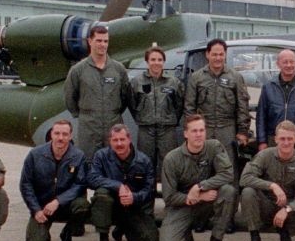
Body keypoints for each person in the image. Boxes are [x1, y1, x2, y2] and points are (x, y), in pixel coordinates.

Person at [158, 113, 237, 241]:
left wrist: (200, 186)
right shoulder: (172, 158)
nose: (198, 134)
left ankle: (216, 239)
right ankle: (185, 233)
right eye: (194, 131)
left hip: (208, 203)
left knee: (228, 191)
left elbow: (227, 174)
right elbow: (169, 197)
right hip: (182, 206)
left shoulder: (214, 147)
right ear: (185, 134)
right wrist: (198, 196)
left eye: (201, 130)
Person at [238, 120, 295, 241]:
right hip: (266, 204)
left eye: (289, 138)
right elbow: (245, 178)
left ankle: (285, 231)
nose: (286, 142)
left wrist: (288, 209)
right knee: (248, 192)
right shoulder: (265, 155)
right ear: (275, 139)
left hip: (289, 205)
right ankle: (255, 238)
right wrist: (272, 185)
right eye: (282, 138)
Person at [86, 123, 159, 241]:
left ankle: (123, 227)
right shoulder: (101, 156)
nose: (119, 144)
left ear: (129, 139)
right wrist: (117, 186)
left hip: (132, 206)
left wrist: (134, 198)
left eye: (122, 139)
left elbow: (149, 190)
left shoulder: (144, 161)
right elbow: (92, 178)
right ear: (110, 141)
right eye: (115, 140)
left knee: (152, 240)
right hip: (110, 205)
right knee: (101, 194)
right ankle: (103, 238)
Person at [18, 118, 89, 241]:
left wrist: (58, 201)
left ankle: (67, 232)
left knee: (83, 206)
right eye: (57, 133)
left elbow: (80, 184)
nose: (60, 138)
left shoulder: (79, 156)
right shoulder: (35, 155)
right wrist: (36, 210)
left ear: (70, 136)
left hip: (66, 205)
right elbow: (26, 185)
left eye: (65, 134)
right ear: (51, 134)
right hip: (43, 207)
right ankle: (44, 232)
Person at [64, 22, 131, 156]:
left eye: (106, 41)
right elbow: (70, 98)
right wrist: (86, 115)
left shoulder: (118, 69)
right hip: (88, 127)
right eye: (99, 40)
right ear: (90, 41)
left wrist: (112, 112)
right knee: (88, 163)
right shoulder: (78, 70)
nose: (103, 44)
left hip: (113, 125)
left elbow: (125, 97)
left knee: (113, 161)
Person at [185, 37, 252, 158]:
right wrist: (193, 131)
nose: (218, 58)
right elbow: (189, 107)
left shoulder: (235, 77)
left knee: (228, 167)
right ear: (207, 54)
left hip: (227, 130)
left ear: (225, 55)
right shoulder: (196, 78)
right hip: (205, 129)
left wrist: (243, 132)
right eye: (214, 54)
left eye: (221, 54)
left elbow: (243, 107)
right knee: (203, 166)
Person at [128, 45, 183, 186]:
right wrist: (143, 117)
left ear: (163, 62)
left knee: (169, 165)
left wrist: (171, 119)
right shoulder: (137, 82)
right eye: (153, 59)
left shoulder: (173, 82)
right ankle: (146, 203)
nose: (156, 62)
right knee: (145, 165)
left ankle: (170, 201)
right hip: (146, 130)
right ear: (147, 61)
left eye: (159, 59)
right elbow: (132, 104)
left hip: (167, 130)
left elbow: (180, 104)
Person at [254, 48, 295, 154]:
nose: (289, 65)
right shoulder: (268, 87)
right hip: (273, 140)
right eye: (285, 62)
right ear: (278, 64)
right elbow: (261, 117)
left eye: (291, 61)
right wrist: (262, 141)